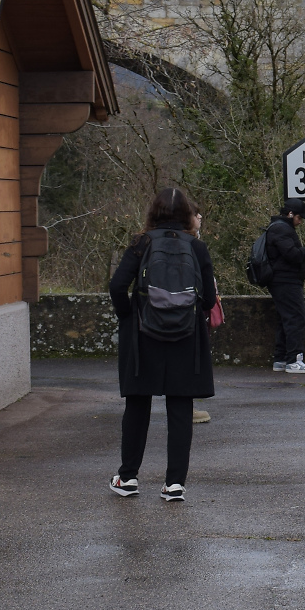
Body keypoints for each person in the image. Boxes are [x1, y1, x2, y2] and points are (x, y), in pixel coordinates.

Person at [108, 187, 217, 501]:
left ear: (152, 213)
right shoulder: (197, 248)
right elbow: (208, 299)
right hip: (186, 338)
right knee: (180, 407)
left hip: (144, 337)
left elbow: (117, 286)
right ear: (186, 215)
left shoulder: (141, 243)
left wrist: (129, 316)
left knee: (138, 405)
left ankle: (127, 477)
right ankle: (174, 484)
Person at [266, 199, 305, 374]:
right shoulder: (281, 229)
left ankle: (281, 359)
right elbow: (290, 254)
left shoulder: (279, 228)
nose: (300, 221)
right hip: (286, 281)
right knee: (295, 319)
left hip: (283, 281)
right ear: (290, 214)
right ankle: (294, 359)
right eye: (299, 217)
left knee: (285, 319)